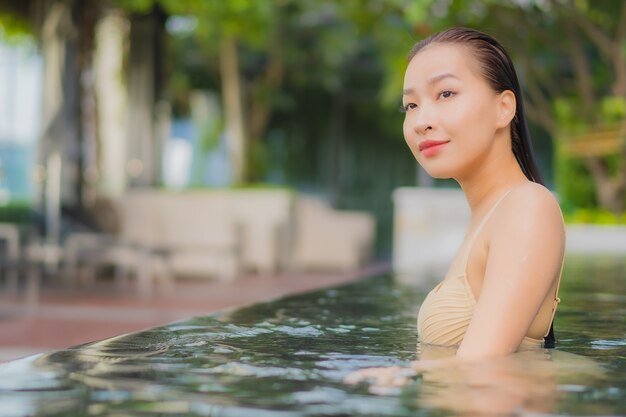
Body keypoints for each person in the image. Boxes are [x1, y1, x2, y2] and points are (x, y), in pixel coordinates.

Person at [346, 27, 565, 385]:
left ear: (503, 107)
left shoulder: (527, 207)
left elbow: (484, 364)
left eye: (446, 93)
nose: (421, 121)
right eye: (411, 105)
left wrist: (395, 375)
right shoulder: (492, 215)